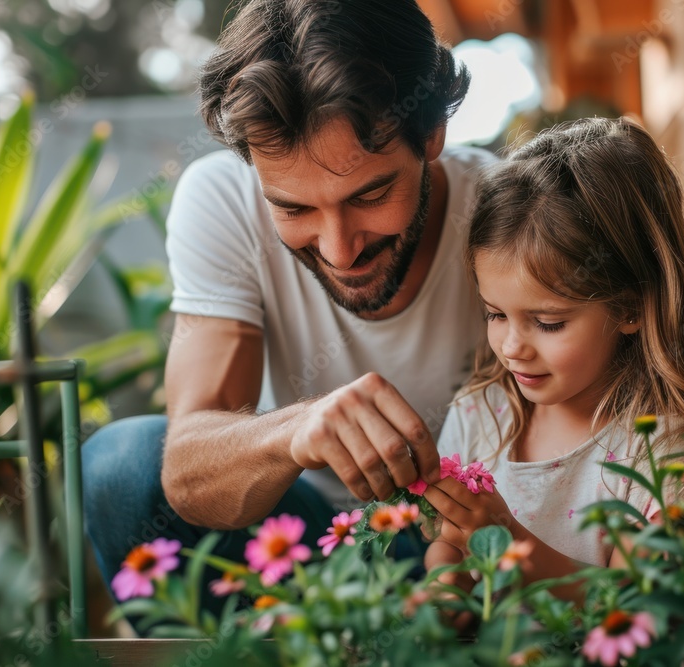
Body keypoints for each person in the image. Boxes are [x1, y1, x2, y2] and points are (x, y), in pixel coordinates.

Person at [81, 0, 496, 621]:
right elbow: (188, 470)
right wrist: (294, 431)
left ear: (432, 132)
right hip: (305, 546)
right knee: (120, 466)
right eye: (295, 209)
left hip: (477, 547)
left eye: (371, 194)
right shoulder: (222, 199)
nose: (340, 249)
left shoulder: (505, 211)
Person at [422, 117, 684, 601]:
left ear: (630, 307)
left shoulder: (662, 453)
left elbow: (637, 605)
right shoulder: (480, 415)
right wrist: (445, 590)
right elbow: (446, 546)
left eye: (549, 322)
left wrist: (505, 537)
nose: (512, 346)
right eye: (495, 314)